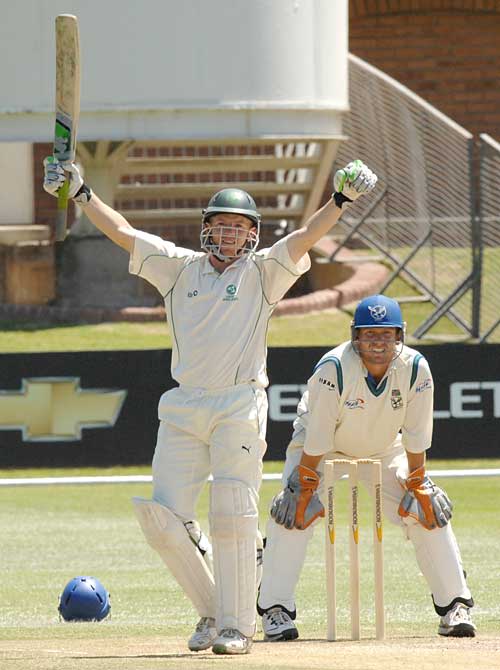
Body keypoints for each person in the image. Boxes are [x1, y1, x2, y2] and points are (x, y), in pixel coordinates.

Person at [43, 155, 377, 655]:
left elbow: (307, 235)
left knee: (231, 507)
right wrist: (83, 193)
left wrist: (341, 200)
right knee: (162, 517)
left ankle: (237, 626)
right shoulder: (179, 269)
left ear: (252, 235)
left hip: (239, 402)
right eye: (220, 225)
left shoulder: (265, 273)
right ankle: (211, 610)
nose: (228, 235)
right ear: (206, 229)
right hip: (182, 404)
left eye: (239, 228)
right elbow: (123, 232)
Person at [258, 294, 476, 641]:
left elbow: (417, 435)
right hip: (321, 449)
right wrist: (303, 486)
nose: (377, 343)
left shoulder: (416, 368)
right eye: (369, 334)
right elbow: (318, 436)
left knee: (426, 507)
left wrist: (418, 482)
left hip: (384, 447)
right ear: (355, 336)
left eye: (386, 335)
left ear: (399, 335)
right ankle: (275, 609)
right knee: (292, 511)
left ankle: (455, 604)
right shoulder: (334, 367)